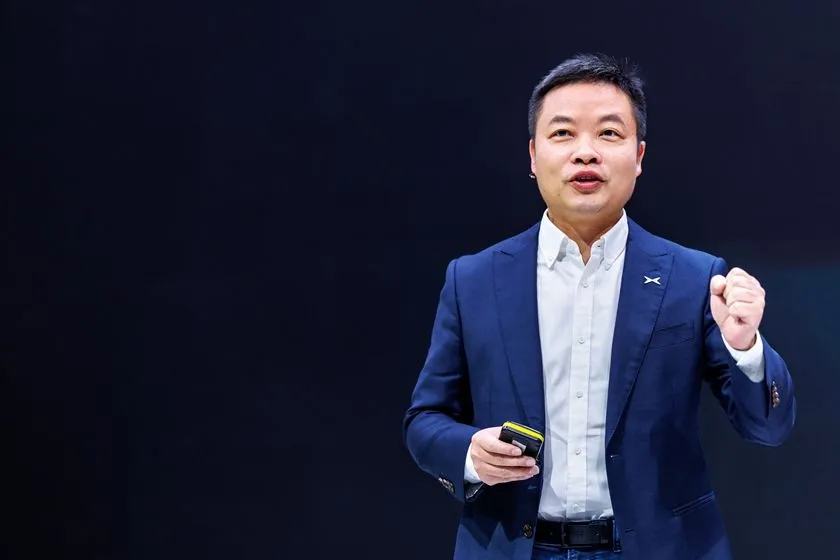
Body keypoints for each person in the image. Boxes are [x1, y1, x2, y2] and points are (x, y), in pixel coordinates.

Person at [402, 53, 796, 560]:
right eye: (562, 133)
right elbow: (425, 420)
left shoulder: (695, 278)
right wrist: (469, 454)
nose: (585, 152)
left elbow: (768, 427)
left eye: (609, 133)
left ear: (639, 155)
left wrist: (745, 347)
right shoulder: (473, 280)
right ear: (533, 155)